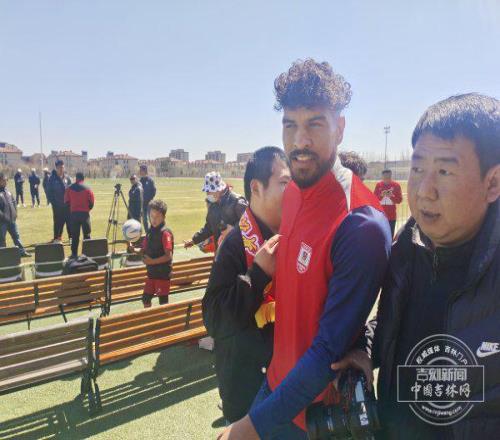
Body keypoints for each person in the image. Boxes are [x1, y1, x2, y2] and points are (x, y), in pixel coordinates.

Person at [219, 59, 391, 440]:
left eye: (314, 123)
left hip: (316, 417)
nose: (299, 141)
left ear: (340, 128)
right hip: (275, 386)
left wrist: (250, 427)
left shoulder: (360, 224)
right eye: (289, 125)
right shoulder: (294, 192)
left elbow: (327, 349)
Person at [359, 93, 500, 440]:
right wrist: (364, 348)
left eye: (444, 171)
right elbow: (392, 322)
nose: (424, 191)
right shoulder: (406, 248)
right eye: (418, 169)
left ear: (493, 183)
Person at [203, 147, 291, 424]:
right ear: (256, 188)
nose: (293, 191)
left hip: (288, 385)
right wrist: (257, 275)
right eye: (284, 183)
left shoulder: (291, 236)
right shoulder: (234, 245)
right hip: (247, 395)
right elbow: (214, 319)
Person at [184, 172, 247, 251]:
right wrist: (194, 240)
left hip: (238, 251)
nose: (207, 194)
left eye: (210, 191)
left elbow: (250, 226)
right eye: (207, 191)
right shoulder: (213, 205)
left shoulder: (237, 201)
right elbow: (209, 228)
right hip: (221, 251)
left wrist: (234, 229)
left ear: (219, 189)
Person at [130, 199, 174, 308]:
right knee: (145, 298)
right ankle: (150, 317)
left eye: (157, 216)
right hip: (151, 273)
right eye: (151, 216)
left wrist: (152, 261)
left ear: (163, 217)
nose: (153, 219)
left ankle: (164, 318)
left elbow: (168, 256)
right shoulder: (150, 231)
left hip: (162, 274)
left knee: (163, 302)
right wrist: (134, 250)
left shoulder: (165, 233)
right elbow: (144, 249)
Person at [64, 172, 94, 257]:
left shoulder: (69, 188)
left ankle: (74, 254)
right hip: (85, 215)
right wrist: (87, 209)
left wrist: (72, 209)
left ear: (76, 178)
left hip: (74, 215)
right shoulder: (88, 188)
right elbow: (91, 202)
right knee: (87, 235)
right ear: (83, 179)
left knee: (74, 236)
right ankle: (87, 254)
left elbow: (66, 202)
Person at [0, 173, 30, 257]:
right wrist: (3, 217)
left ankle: (22, 252)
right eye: (4, 180)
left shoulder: (8, 191)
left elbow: (14, 202)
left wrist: (15, 213)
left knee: (16, 236)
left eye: (6, 180)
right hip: (2, 222)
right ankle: (3, 255)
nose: (6, 181)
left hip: (12, 220)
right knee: (2, 239)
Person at [47, 160, 72, 243]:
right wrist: (54, 203)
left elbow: (71, 190)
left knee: (69, 221)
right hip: (57, 206)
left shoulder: (67, 178)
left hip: (67, 205)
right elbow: (49, 193)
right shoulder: (51, 179)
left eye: (62, 167)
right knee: (58, 222)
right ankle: (57, 238)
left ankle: (71, 237)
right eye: (59, 167)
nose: (61, 169)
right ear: (56, 168)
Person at [374, 169, 403, 237]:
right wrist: (381, 195)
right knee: (380, 235)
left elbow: (399, 200)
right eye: (385, 178)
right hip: (380, 215)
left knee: (390, 235)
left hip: (391, 216)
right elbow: (374, 199)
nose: (386, 179)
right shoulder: (378, 185)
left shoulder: (396, 185)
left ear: (391, 176)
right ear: (382, 177)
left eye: (388, 177)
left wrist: (391, 196)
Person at [139, 164, 157, 233]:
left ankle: (153, 232)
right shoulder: (140, 181)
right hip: (142, 204)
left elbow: (154, 190)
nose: (140, 172)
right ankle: (147, 233)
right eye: (140, 170)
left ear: (145, 171)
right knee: (144, 219)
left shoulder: (150, 180)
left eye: (141, 170)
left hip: (149, 203)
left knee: (151, 218)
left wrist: (150, 199)